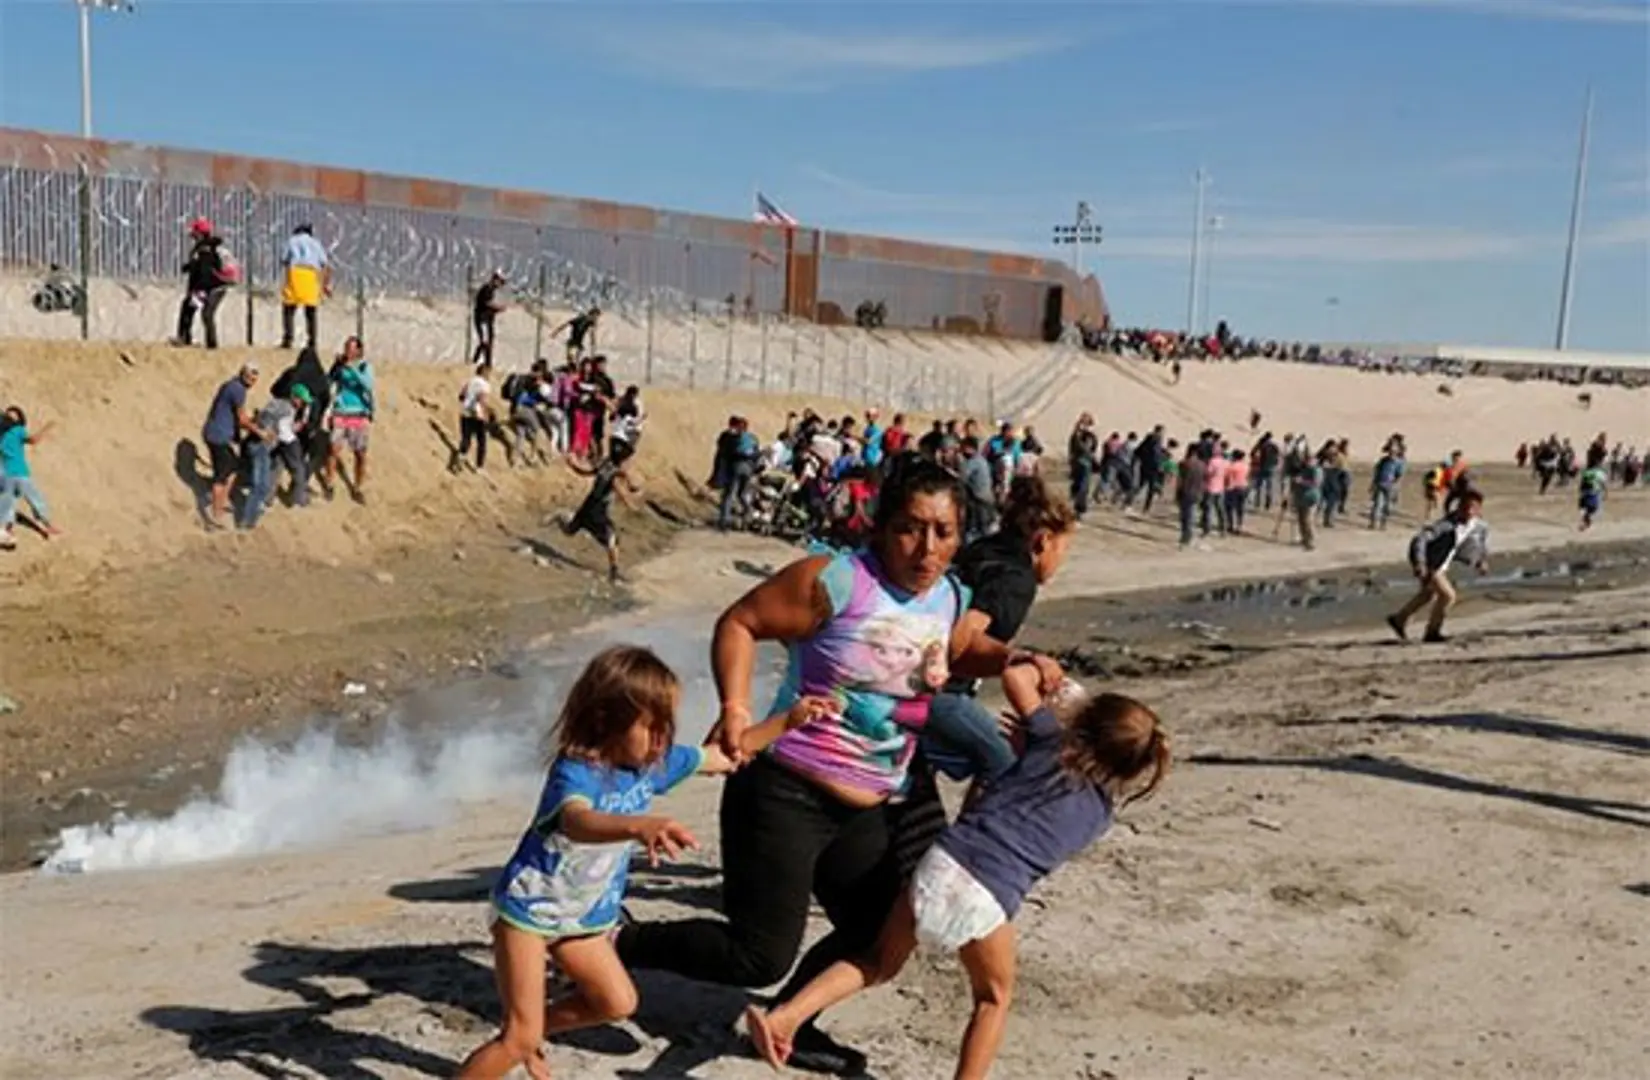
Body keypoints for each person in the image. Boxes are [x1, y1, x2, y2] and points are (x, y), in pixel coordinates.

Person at [616, 458, 1063, 1077]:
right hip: (783, 790)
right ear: (882, 527)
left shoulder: (949, 595)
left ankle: (793, 1023)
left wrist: (1016, 655)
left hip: (870, 802)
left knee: (880, 933)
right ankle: (620, 942)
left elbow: (960, 650)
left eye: (943, 532)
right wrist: (737, 709)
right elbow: (741, 623)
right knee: (757, 955)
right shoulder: (836, 581)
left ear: (960, 536)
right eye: (910, 528)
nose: (926, 548)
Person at [744, 683, 1169, 1080]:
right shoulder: (1099, 816)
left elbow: (1017, 678)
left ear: (1082, 725)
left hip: (941, 862)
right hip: (988, 896)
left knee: (876, 962)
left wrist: (1058, 690)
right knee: (992, 999)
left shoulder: (1046, 742)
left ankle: (786, 1017)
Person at [454, 644, 836, 1080]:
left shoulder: (653, 764)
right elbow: (578, 821)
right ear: (605, 721)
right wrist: (637, 826)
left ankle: (536, 1027)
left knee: (616, 1003)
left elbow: (725, 756)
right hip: (528, 913)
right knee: (518, 1039)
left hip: (582, 917)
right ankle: (520, 1039)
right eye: (651, 727)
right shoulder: (576, 771)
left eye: (667, 728)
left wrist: (788, 721)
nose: (662, 740)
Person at [1386, 491, 1489, 644]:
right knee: (1448, 596)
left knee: (1428, 595)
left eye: (1473, 507)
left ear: (1479, 509)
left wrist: (1479, 561)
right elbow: (1419, 539)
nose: (1468, 511)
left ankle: (1399, 619)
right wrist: (1420, 563)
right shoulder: (1446, 525)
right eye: (1465, 506)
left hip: (1442, 564)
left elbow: (1476, 545)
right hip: (1430, 563)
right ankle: (1432, 632)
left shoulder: (1479, 526)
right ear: (1459, 506)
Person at [562, 441, 642, 584]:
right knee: (612, 539)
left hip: (588, 504)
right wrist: (631, 506)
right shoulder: (616, 474)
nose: (629, 463)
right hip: (598, 511)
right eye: (627, 460)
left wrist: (572, 465)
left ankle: (560, 518)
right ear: (622, 460)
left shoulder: (605, 464)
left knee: (569, 530)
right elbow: (619, 489)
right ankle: (614, 572)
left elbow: (585, 472)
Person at [239, 384, 309, 530]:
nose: (303, 404)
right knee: (260, 486)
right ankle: (247, 521)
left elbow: (270, 421)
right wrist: (294, 441)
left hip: (254, 442)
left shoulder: (278, 403)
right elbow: (284, 434)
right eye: (302, 401)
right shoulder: (287, 409)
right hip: (262, 446)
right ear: (295, 397)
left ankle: (250, 516)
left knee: (261, 483)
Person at [201, 362, 261, 529]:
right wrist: (259, 431)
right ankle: (214, 515)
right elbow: (241, 419)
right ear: (243, 374)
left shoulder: (232, 386)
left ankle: (220, 502)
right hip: (218, 436)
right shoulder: (238, 390)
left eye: (254, 378)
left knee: (232, 469)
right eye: (250, 376)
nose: (252, 381)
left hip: (216, 434)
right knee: (222, 475)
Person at [0, 406, 60, 549]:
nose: (9, 417)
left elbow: (32, 439)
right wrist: (47, 428)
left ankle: (45, 525)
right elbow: (33, 440)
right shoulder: (5, 434)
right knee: (21, 499)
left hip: (13, 473)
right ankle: (8, 531)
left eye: (13, 416)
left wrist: (45, 429)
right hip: (14, 474)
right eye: (8, 415)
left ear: (19, 420)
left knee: (21, 499)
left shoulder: (16, 431)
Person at [325, 337, 374, 504]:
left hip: (359, 414)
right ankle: (330, 483)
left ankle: (358, 487)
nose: (347, 351)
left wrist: (351, 369)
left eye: (351, 348)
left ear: (358, 351)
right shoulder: (341, 366)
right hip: (340, 411)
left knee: (360, 453)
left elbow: (367, 385)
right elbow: (329, 381)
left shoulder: (364, 367)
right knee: (333, 449)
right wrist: (336, 367)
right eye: (346, 347)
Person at [174, 218, 235, 350]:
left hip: (212, 286)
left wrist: (197, 289)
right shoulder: (209, 248)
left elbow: (205, 271)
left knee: (196, 310)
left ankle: (190, 339)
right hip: (216, 285)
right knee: (197, 310)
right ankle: (203, 342)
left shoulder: (203, 250)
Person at [278, 224, 330, 350]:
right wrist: (325, 285)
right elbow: (325, 263)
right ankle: (312, 341)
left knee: (289, 309)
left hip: (295, 272)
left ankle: (288, 339)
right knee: (311, 311)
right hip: (311, 274)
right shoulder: (315, 243)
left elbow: (284, 259)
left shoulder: (292, 241)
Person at [455, 361, 493, 471]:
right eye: (488, 373)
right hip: (477, 415)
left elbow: (461, 396)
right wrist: (489, 412)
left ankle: (461, 457)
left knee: (466, 438)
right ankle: (479, 467)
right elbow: (482, 399)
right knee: (481, 441)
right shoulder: (485, 385)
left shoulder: (470, 381)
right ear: (484, 372)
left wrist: (468, 400)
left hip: (465, 412)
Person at [473, 270, 507, 366]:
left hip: (487, 320)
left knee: (488, 342)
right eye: (501, 282)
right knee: (485, 342)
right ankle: (478, 362)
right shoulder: (486, 289)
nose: (501, 285)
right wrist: (498, 307)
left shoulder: (491, 290)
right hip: (482, 320)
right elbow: (486, 303)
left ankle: (486, 363)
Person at [1577, 461, 1606, 531]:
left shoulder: (1585, 472)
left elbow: (1582, 482)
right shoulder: (1599, 473)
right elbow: (1602, 483)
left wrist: (1580, 491)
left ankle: (1586, 523)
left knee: (1584, 508)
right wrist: (1605, 492)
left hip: (1585, 492)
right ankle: (1587, 523)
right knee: (1592, 509)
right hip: (1593, 492)